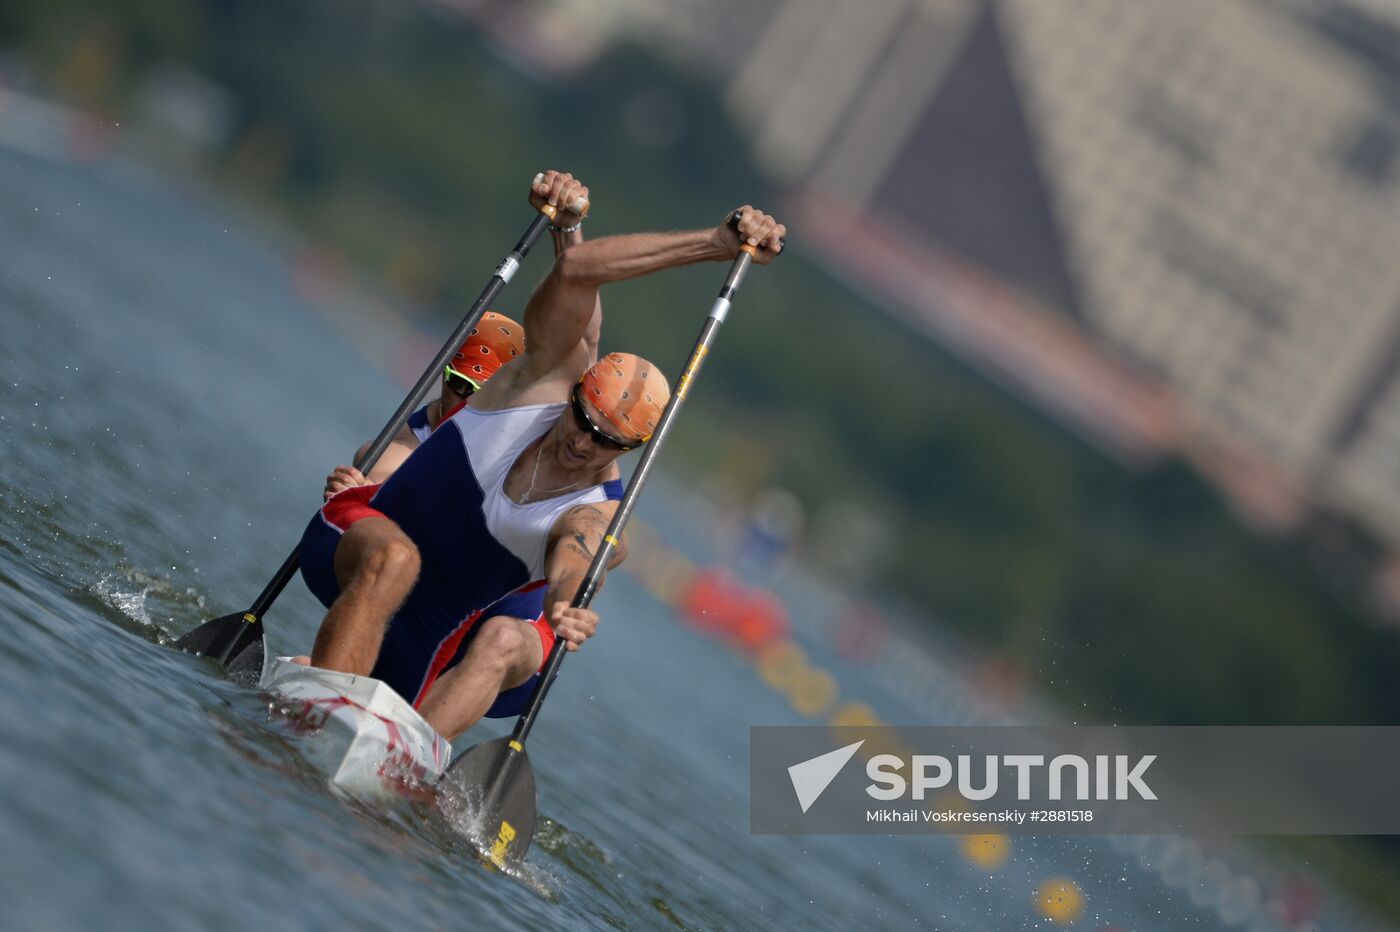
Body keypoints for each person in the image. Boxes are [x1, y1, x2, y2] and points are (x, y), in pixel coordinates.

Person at [297, 169, 786, 741]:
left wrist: (564, 602)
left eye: (608, 441)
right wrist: (715, 245)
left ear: (631, 448)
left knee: (506, 638)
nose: (584, 441)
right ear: (573, 393)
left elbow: (577, 554)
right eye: (583, 419)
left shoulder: (601, 511)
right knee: (397, 559)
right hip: (355, 553)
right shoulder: (537, 384)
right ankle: (317, 715)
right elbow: (577, 275)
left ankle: (399, 761)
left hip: (443, 636)